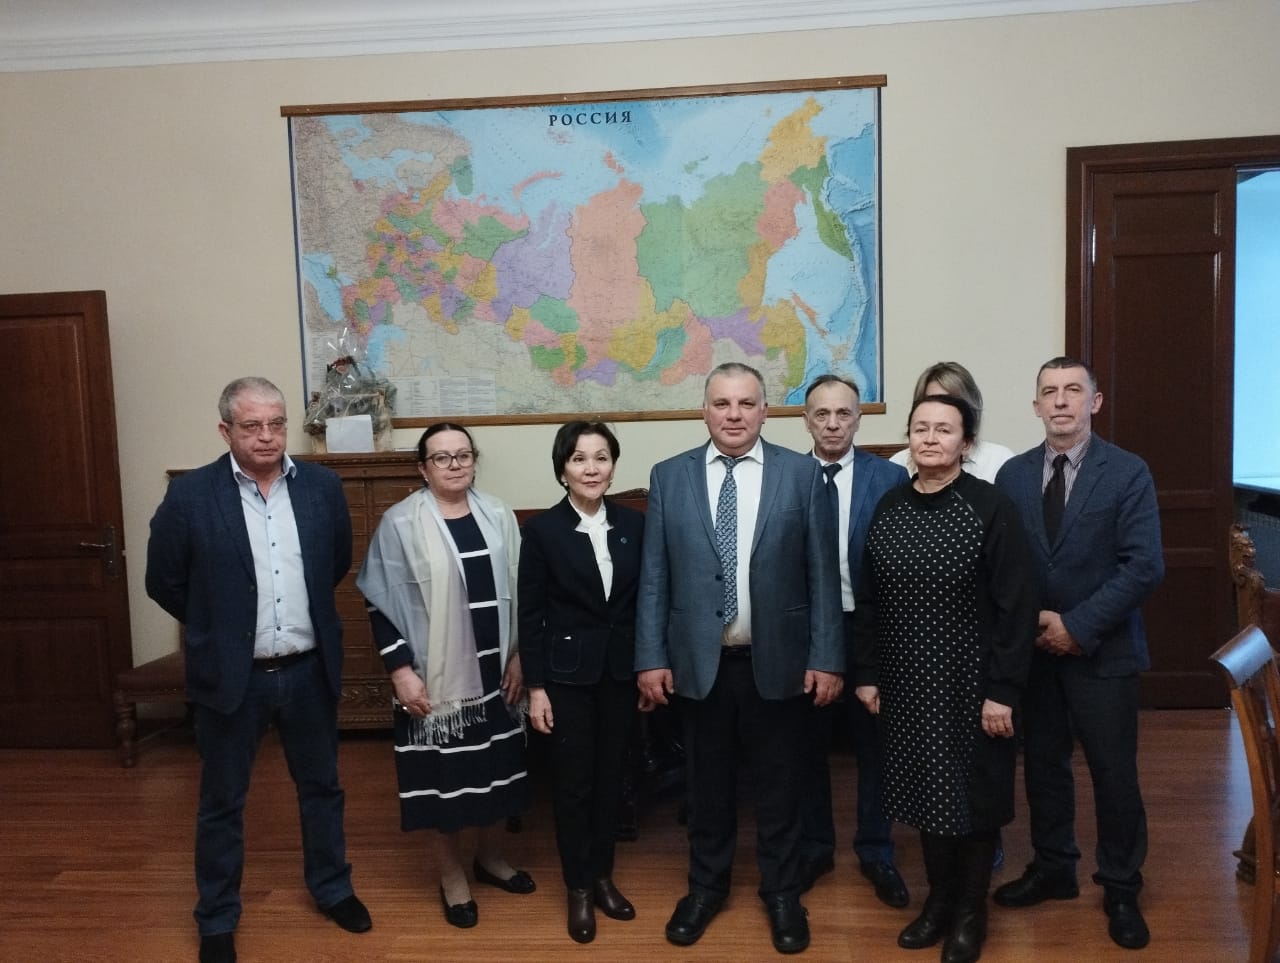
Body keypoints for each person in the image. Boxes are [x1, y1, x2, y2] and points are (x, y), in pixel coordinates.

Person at [145, 376, 371, 963]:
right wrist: (217, 625)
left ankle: (333, 888)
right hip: (232, 677)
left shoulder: (321, 487)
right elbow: (163, 581)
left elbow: (334, 563)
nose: (267, 436)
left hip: (307, 670)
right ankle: (217, 917)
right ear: (226, 430)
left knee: (322, 788)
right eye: (252, 426)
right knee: (222, 801)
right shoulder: (190, 496)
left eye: (276, 424)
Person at [636, 361, 844, 955]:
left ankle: (782, 893)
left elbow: (822, 577)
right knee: (707, 789)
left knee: (781, 788)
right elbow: (655, 577)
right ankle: (705, 888)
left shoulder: (802, 474)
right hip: (699, 665)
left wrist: (828, 658)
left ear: (765, 411)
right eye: (723, 403)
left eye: (746, 403)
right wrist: (650, 658)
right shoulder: (669, 476)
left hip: (779, 663)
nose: (734, 415)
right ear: (704, 410)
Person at [853, 393, 1036, 963]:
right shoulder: (889, 506)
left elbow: (1017, 607)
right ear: (908, 437)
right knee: (926, 795)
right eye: (921, 428)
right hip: (906, 684)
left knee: (973, 801)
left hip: (973, 687)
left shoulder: (990, 506)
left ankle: (970, 913)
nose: (930, 438)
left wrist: (1002, 692)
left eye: (944, 429)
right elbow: (869, 599)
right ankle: (938, 902)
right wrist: (868, 674)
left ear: (966, 442)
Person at [993, 357, 1164, 951]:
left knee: (1113, 774)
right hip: (1036, 654)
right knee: (1043, 767)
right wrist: (1032, 628)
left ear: (1094, 402)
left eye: (1073, 390)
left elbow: (1144, 566)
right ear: (1036, 406)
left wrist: (1077, 625)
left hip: (1103, 654)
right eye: (1050, 392)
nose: (1061, 401)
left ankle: (1121, 885)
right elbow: (1005, 566)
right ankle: (1053, 867)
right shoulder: (1012, 475)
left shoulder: (1128, 472)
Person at [356, 423, 532, 930]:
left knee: (497, 774)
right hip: (435, 684)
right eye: (442, 457)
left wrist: (520, 655)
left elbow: (523, 589)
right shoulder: (400, 522)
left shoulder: (498, 514)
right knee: (445, 783)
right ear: (423, 467)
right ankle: (452, 875)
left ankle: (490, 858)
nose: (454, 465)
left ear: (474, 461)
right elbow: (381, 601)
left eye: (463, 455)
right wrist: (400, 672)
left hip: (499, 674)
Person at [518, 421, 645, 943]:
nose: (591, 469)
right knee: (573, 786)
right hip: (566, 679)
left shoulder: (634, 524)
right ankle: (578, 889)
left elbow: (645, 602)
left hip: (620, 673)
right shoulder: (542, 531)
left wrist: (647, 668)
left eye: (601, 458)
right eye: (579, 459)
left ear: (613, 466)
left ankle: (603, 877)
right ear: (562, 470)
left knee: (612, 779)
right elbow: (530, 616)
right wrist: (536, 689)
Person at [797, 374, 911, 907]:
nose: (833, 424)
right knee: (807, 747)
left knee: (876, 748)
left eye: (843, 413)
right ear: (806, 420)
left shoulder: (890, 477)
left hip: (871, 630)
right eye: (822, 414)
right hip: (806, 634)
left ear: (859, 418)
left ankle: (876, 850)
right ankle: (815, 847)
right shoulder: (786, 475)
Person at [891, 362, 1015, 482]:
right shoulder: (897, 466)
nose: (941, 410)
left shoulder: (1000, 460)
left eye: (953, 402)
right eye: (933, 400)